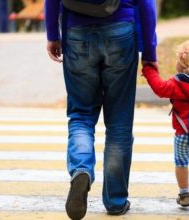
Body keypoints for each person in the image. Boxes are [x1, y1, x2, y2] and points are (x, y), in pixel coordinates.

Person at [45, 0, 157, 219]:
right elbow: (146, 4)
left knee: (81, 116)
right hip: (121, 31)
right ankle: (115, 201)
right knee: (119, 124)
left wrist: (53, 34)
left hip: (76, 31)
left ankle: (81, 170)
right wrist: (150, 53)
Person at [142, 40, 189, 216]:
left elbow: (160, 88)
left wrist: (149, 70)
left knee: (181, 163)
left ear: (184, 62)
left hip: (183, 134)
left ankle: (184, 194)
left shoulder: (179, 83)